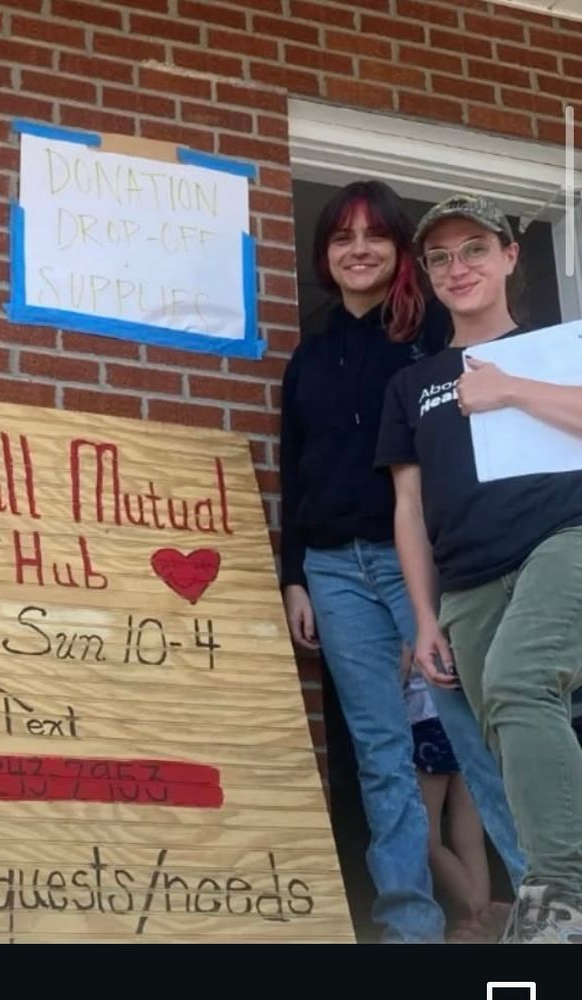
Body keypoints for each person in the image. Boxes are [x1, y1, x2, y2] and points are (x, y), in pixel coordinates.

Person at [280, 181, 523, 944]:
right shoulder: (308, 355)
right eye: (340, 237)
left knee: (476, 731)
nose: (357, 249)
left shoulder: (427, 344)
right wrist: (294, 575)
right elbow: (293, 468)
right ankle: (407, 923)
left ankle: (550, 900)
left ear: (397, 251)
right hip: (331, 568)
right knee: (380, 750)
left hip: (416, 562)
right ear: (325, 254)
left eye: (373, 236)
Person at [377, 193, 582, 943]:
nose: (456, 267)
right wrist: (423, 616)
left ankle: (558, 896)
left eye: (473, 249)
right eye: (439, 257)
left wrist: (508, 389)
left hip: (564, 539)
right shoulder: (411, 384)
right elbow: (407, 508)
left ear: (507, 256)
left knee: (520, 679)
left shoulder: (560, 347)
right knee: (501, 735)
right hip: (464, 578)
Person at [403, 661, 494, 934]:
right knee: (471, 840)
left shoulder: (409, 624)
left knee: (428, 839)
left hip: (424, 720)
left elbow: (401, 668)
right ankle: (483, 919)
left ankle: (479, 916)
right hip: (467, 717)